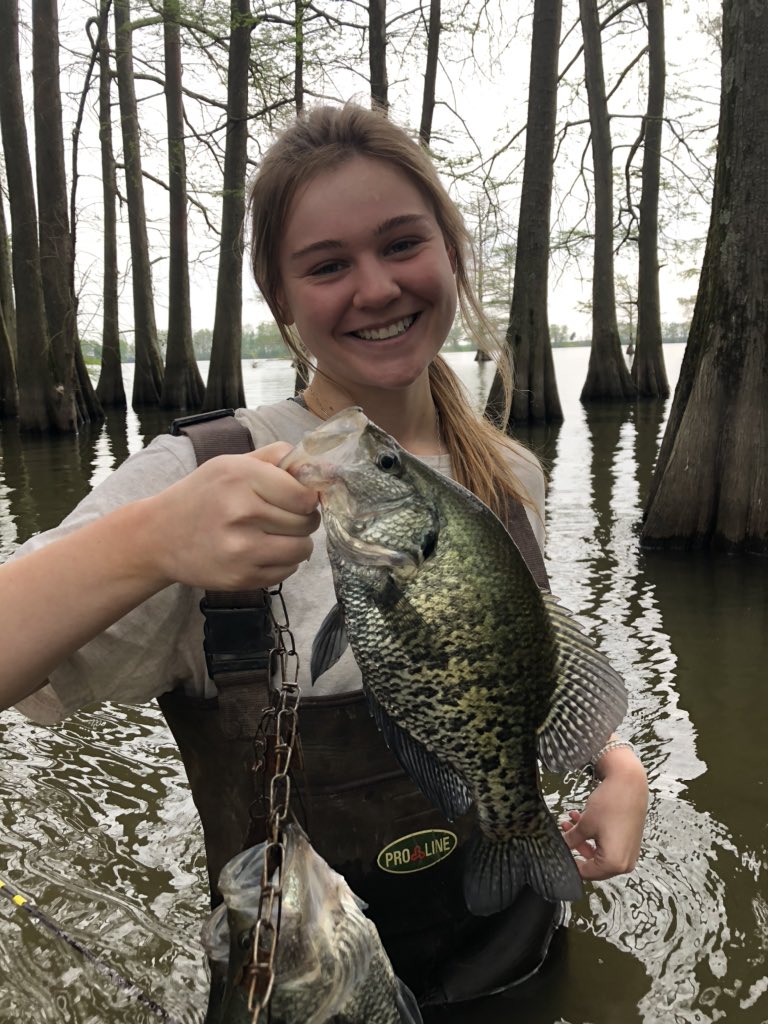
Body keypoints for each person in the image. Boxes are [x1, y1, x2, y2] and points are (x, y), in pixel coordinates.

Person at [1, 103, 647, 1014]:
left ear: (451, 256)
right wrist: (149, 540)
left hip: (516, 963)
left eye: (401, 244)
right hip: (307, 988)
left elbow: (506, 663)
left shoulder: (506, 473)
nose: (376, 288)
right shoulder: (201, 475)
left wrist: (614, 763)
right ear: (281, 301)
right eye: (328, 265)